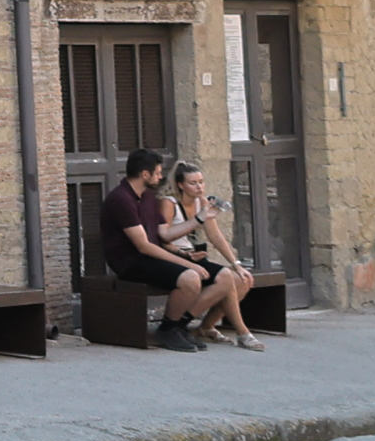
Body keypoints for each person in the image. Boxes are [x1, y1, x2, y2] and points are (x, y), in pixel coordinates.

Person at [97, 148, 247, 350]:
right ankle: (167, 330)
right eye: (158, 173)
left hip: (153, 256)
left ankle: (180, 327)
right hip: (131, 262)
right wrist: (186, 264)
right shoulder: (121, 199)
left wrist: (182, 253)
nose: (160, 177)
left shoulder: (148, 197)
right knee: (190, 278)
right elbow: (143, 246)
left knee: (224, 276)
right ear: (145, 174)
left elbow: (163, 236)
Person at [164, 162, 267, 348]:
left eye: (201, 182)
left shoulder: (201, 202)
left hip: (195, 255)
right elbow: (163, 239)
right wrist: (198, 220)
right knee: (225, 277)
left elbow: (215, 236)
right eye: (193, 183)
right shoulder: (169, 203)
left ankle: (206, 326)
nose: (199, 187)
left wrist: (235, 263)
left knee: (242, 279)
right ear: (181, 185)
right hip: (176, 256)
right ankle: (243, 333)